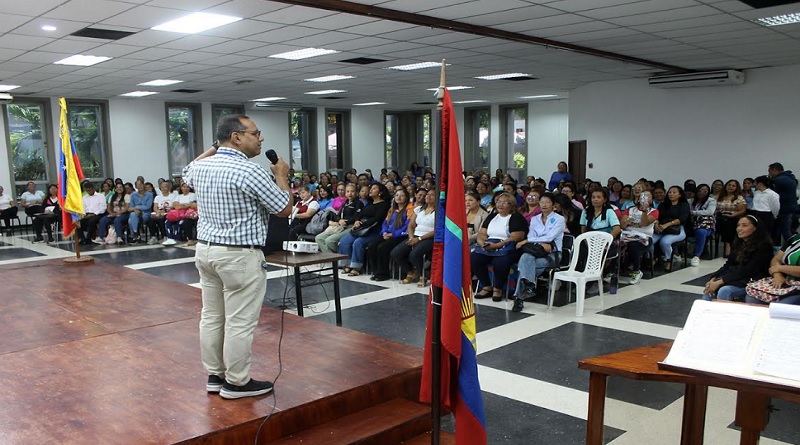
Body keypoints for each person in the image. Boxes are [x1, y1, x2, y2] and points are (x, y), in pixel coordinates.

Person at [182, 114, 292, 399]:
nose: (261, 138)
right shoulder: (249, 170)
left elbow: (186, 170)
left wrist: (215, 147)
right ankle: (237, 382)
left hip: (206, 251)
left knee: (212, 317)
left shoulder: (201, 168)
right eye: (256, 133)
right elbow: (283, 208)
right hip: (239, 257)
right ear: (237, 137)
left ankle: (215, 376)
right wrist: (281, 175)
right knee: (239, 322)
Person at [511, 192, 565, 312]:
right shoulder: (535, 219)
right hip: (535, 251)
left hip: (553, 254)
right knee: (526, 258)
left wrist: (527, 241)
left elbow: (549, 238)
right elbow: (532, 235)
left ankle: (519, 298)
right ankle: (529, 286)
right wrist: (539, 243)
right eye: (542, 202)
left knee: (523, 265)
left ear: (553, 205)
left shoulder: (559, 219)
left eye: (547, 202)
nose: (544, 205)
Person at [470, 192, 527, 302]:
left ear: (512, 205)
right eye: (498, 202)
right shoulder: (492, 216)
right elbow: (482, 233)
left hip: (508, 246)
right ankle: (486, 286)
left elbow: (517, 236)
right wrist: (482, 243)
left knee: (500, 262)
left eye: (505, 203)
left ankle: (498, 288)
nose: (500, 205)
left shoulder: (516, 217)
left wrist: (497, 245)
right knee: (474, 257)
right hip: (489, 244)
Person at [703, 215, 772, 301]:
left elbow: (747, 270)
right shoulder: (739, 243)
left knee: (725, 291)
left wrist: (721, 281)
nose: (739, 228)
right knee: (709, 288)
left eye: (744, 225)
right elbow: (728, 265)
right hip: (737, 278)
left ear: (755, 228)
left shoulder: (764, 247)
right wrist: (714, 278)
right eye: (738, 225)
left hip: (752, 281)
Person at [338, 183, 391, 276]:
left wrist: (362, 223)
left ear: (380, 192)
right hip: (361, 228)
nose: (371, 190)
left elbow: (377, 219)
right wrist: (357, 221)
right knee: (344, 241)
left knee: (358, 242)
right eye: (371, 188)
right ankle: (347, 264)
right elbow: (360, 214)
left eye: (374, 188)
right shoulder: (369, 203)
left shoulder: (384, 205)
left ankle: (357, 266)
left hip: (373, 230)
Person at [392, 188, 436, 286]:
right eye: (427, 195)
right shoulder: (419, 209)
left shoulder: (439, 212)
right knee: (396, 253)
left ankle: (422, 275)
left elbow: (437, 230)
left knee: (414, 254)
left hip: (429, 238)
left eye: (432, 195)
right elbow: (411, 226)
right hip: (415, 236)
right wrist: (412, 238)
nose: (428, 197)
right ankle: (411, 272)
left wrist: (419, 239)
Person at [367, 188, 413, 281]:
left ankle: (383, 273)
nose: (399, 197)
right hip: (387, 233)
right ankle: (375, 271)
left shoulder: (410, 209)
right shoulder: (392, 209)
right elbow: (385, 223)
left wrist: (393, 235)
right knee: (371, 245)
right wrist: (384, 232)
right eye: (396, 195)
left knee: (382, 247)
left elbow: (406, 226)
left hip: (400, 236)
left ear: (406, 197)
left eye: (402, 195)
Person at [746, 232, 800, 304]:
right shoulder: (795, 238)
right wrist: (778, 275)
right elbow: (776, 259)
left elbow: (777, 266)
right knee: (751, 298)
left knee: (780, 307)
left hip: (797, 287)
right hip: (786, 283)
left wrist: (779, 268)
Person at [619, 191, 658, 285]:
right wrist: (626, 221)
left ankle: (636, 271)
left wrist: (644, 211)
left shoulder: (654, 211)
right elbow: (622, 225)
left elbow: (645, 223)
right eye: (642, 197)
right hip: (627, 234)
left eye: (647, 196)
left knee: (634, 245)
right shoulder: (630, 209)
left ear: (651, 199)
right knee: (615, 243)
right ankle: (611, 271)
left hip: (644, 237)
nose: (644, 199)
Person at [315, 183, 363, 253]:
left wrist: (346, 222)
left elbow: (357, 216)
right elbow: (338, 214)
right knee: (319, 238)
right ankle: (331, 258)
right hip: (340, 225)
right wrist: (338, 220)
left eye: (352, 191)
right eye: (348, 191)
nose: (350, 193)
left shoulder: (358, 203)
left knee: (330, 241)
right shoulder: (345, 203)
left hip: (350, 226)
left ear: (356, 192)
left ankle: (339, 257)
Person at [652, 186, 689, 270]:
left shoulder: (684, 205)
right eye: (670, 192)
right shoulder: (663, 205)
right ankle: (652, 258)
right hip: (662, 228)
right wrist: (656, 224)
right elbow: (657, 217)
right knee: (650, 240)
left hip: (677, 229)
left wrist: (667, 225)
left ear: (680, 194)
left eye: (674, 192)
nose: (671, 194)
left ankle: (668, 260)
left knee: (665, 242)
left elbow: (682, 219)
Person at [768, 162, 799, 246]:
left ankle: (793, 248)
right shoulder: (790, 178)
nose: (769, 174)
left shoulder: (779, 180)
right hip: (791, 208)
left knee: (785, 232)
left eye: (769, 171)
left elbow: (773, 192)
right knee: (785, 231)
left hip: (784, 209)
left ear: (774, 170)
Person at [715, 179, 747, 258]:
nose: (731, 187)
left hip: (733, 217)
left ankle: (728, 246)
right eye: (729, 185)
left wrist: (733, 215)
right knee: (724, 223)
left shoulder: (739, 198)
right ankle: (728, 245)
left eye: (733, 186)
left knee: (729, 224)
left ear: (736, 188)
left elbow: (742, 210)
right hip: (719, 218)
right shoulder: (719, 196)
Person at [688, 184, 716, 267]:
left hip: (706, 225)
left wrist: (693, 213)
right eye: (699, 190)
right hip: (691, 223)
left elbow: (709, 212)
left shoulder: (711, 200)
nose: (701, 192)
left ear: (708, 192)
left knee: (701, 232)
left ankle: (697, 256)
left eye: (704, 191)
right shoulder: (690, 201)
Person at [147, 180, 177, 244]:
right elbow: (155, 207)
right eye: (162, 187)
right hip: (159, 212)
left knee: (162, 219)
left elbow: (174, 206)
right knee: (150, 219)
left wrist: (165, 211)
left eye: (165, 187)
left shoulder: (173, 196)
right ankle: (153, 237)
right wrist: (158, 212)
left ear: (168, 188)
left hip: (169, 212)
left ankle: (165, 236)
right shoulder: (157, 197)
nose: (163, 188)